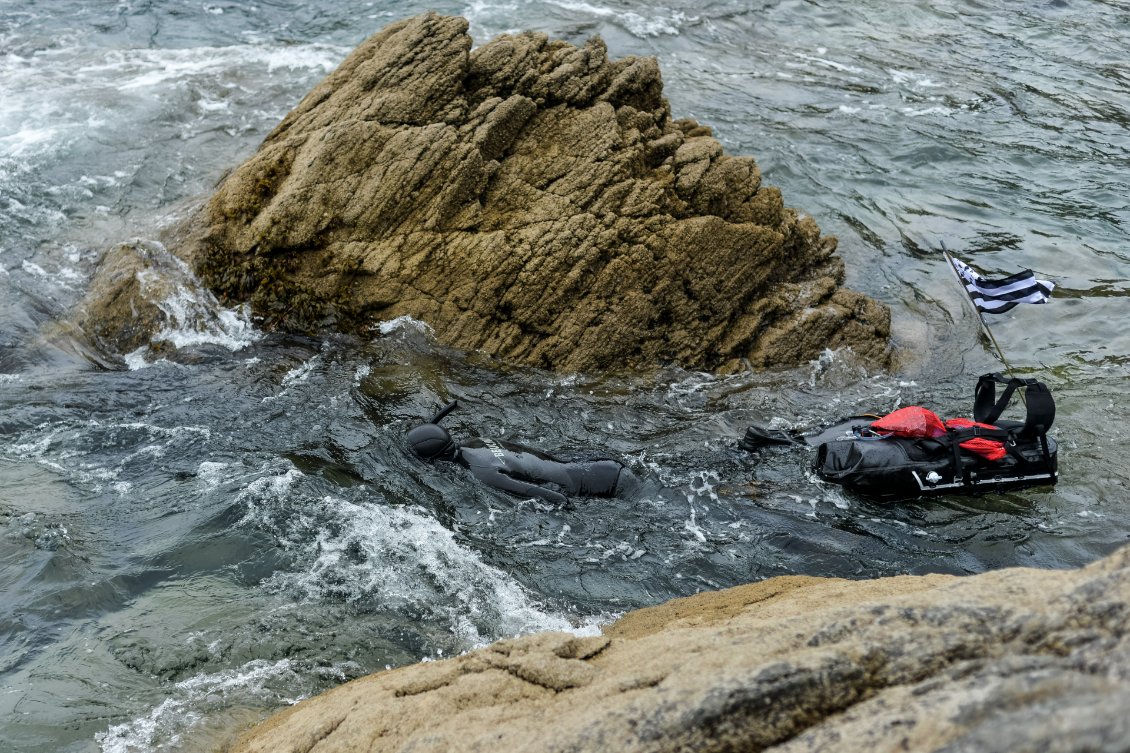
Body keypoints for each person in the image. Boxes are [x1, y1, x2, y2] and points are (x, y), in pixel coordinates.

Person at [406, 401, 634, 505]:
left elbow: (555, 498)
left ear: (438, 460)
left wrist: (573, 514)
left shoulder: (483, 472)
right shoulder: (475, 442)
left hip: (609, 487)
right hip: (600, 465)